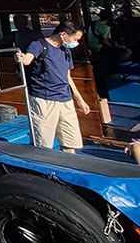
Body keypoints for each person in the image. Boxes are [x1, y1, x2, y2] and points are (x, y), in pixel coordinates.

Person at [15, 21, 91, 152]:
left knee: (70, 141)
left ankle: (70, 167)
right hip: (44, 100)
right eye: (75, 39)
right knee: (43, 142)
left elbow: (68, 77)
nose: (76, 43)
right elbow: (27, 59)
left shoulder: (66, 50)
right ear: (63, 34)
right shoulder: (39, 45)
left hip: (65, 100)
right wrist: (20, 58)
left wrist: (79, 99)